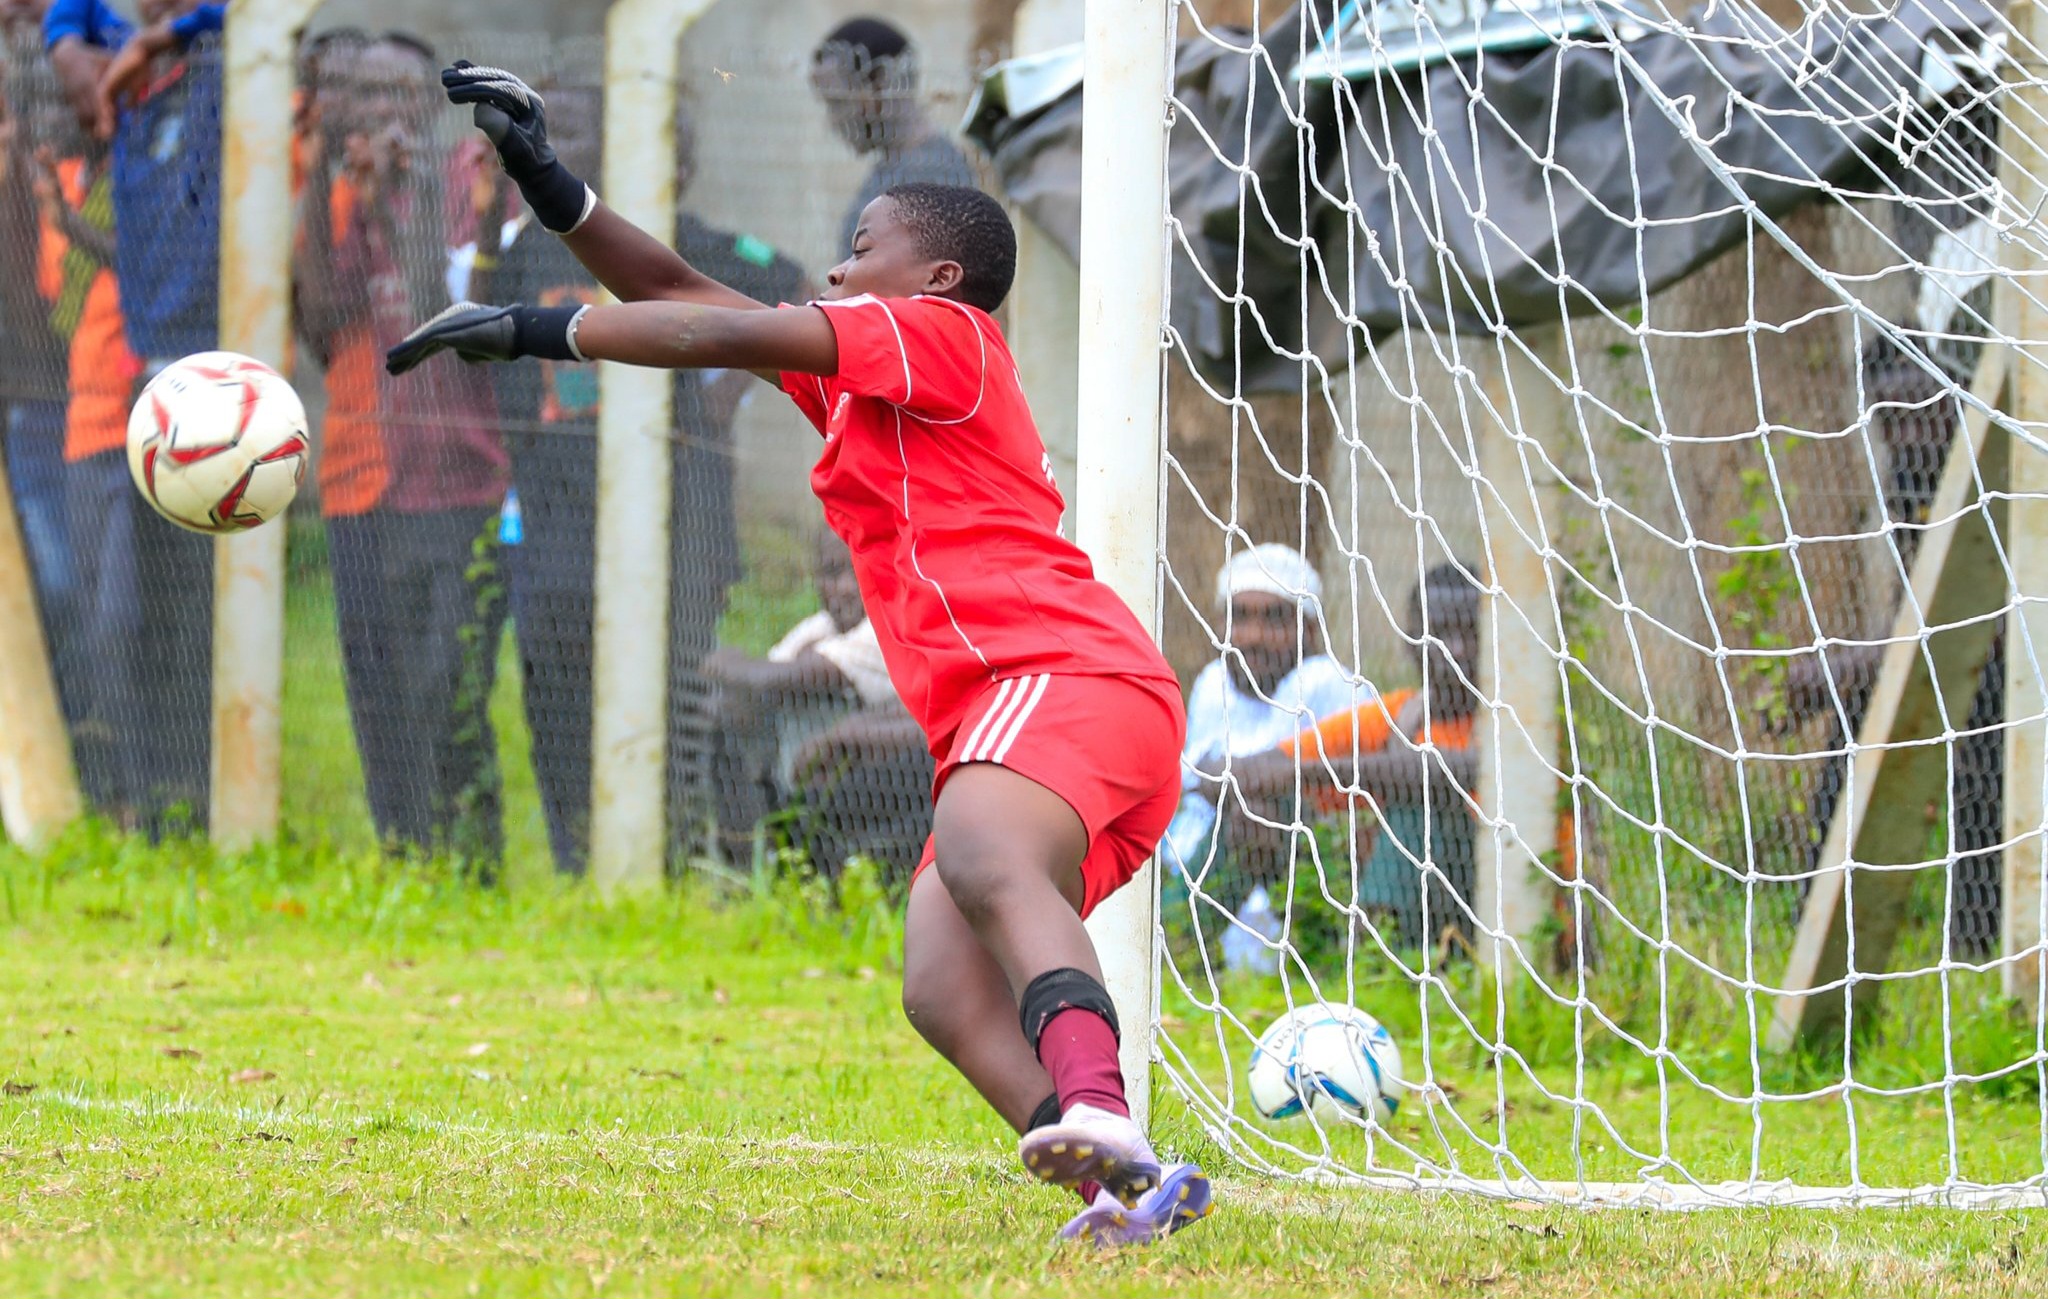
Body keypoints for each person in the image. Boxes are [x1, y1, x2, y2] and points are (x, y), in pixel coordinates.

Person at [384, 62, 1212, 1246]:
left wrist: (535, 329)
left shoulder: (942, 334)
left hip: (1062, 678)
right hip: (1035, 710)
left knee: (980, 852)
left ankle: (1101, 1109)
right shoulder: (872, 390)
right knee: (940, 980)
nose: (832, 271)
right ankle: (1127, 1196)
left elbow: (711, 325)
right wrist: (548, 182)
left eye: (859, 248)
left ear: (935, 276)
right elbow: (681, 291)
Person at [486, 85, 810, 876]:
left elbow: (794, 292)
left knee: (672, 699)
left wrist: (722, 395)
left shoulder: (684, 246)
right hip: (557, 525)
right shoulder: (529, 249)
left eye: (570, 130)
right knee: (558, 697)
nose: (550, 143)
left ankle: (670, 858)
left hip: (678, 526)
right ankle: (577, 857)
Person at [291, 33, 509, 865]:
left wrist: (388, 204)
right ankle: (403, 849)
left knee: (448, 680)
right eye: (368, 96)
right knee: (377, 685)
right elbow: (319, 323)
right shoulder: (333, 190)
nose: (386, 112)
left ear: (427, 103)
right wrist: (333, 185)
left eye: (400, 95)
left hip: (457, 480)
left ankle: (471, 852)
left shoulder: (466, 181)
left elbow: (432, 318)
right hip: (361, 480)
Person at [1159, 544, 1372, 970]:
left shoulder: (1329, 683)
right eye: (1240, 618)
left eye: (1274, 619)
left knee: (1256, 810)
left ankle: (1178, 947)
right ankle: (1173, 945)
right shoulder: (1214, 683)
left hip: (1310, 875)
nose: (1253, 636)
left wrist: (1237, 781)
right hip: (1192, 868)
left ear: (1309, 630)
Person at [706, 531, 924, 875]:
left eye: (859, 570)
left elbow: (773, 678)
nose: (845, 588)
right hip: (816, 779)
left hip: (885, 786)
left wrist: (723, 663)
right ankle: (749, 861)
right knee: (725, 716)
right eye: (832, 573)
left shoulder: (893, 624)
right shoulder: (823, 626)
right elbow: (756, 687)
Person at [1, 0, 74, 654]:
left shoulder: (73, 160)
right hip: (24, 401)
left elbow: (39, 316)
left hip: (65, 401)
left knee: (60, 581)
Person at [809, 16, 978, 255]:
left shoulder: (931, 173)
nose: (833, 120)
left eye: (837, 102)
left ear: (879, 82)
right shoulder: (898, 166)